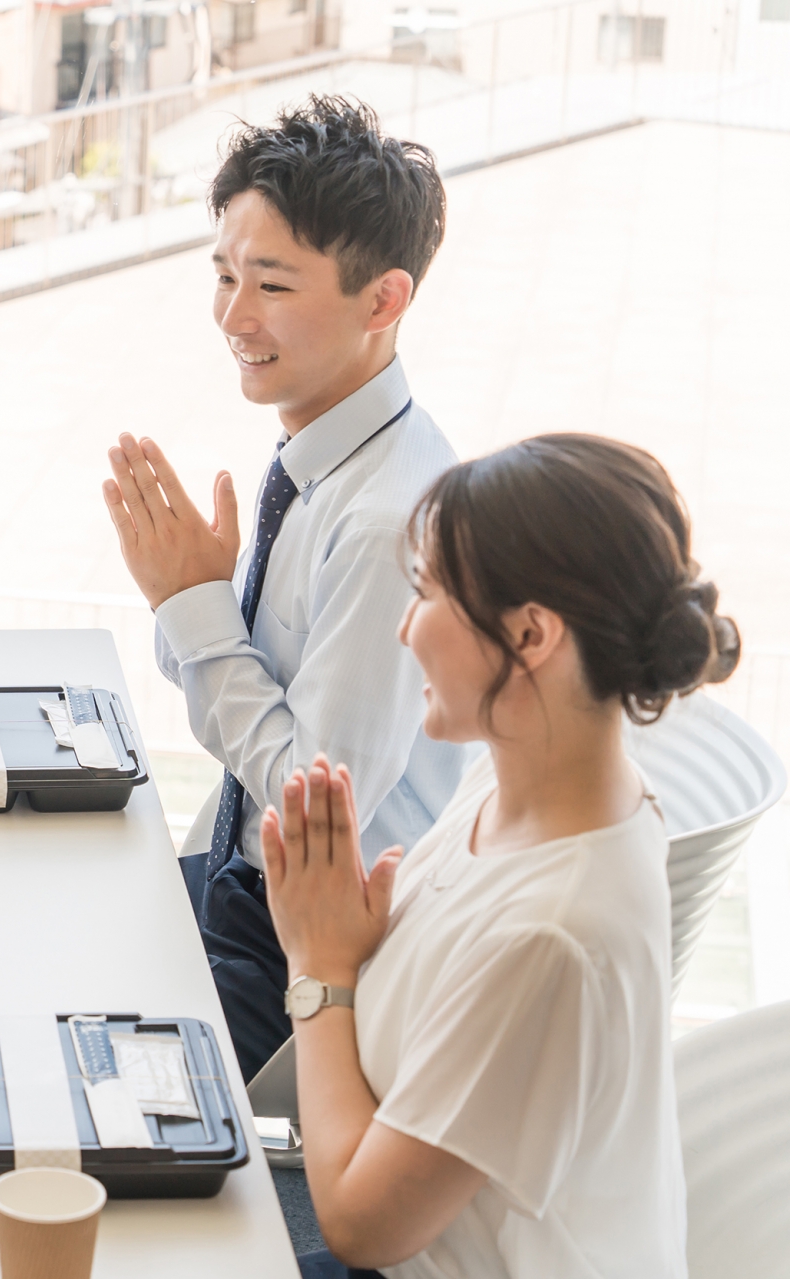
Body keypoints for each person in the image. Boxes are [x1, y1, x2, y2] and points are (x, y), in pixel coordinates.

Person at [270, 434, 731, 1278]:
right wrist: (361, 947)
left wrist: (321, 970)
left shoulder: (553, 933)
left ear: (530, 635)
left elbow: (361, 1225)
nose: (405, 628)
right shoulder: (518, 782)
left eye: (429, 592)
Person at [101, 96, 464, 1080]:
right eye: (224, 274)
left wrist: (192, 605)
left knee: (63, 1034)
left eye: (270, 283)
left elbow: (315, 798)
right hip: (246, 891)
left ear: (383, 301)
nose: (233, 315)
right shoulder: (328, 457)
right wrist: (197, 599)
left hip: (309, 950)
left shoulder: (387, 517)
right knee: (49, 906)